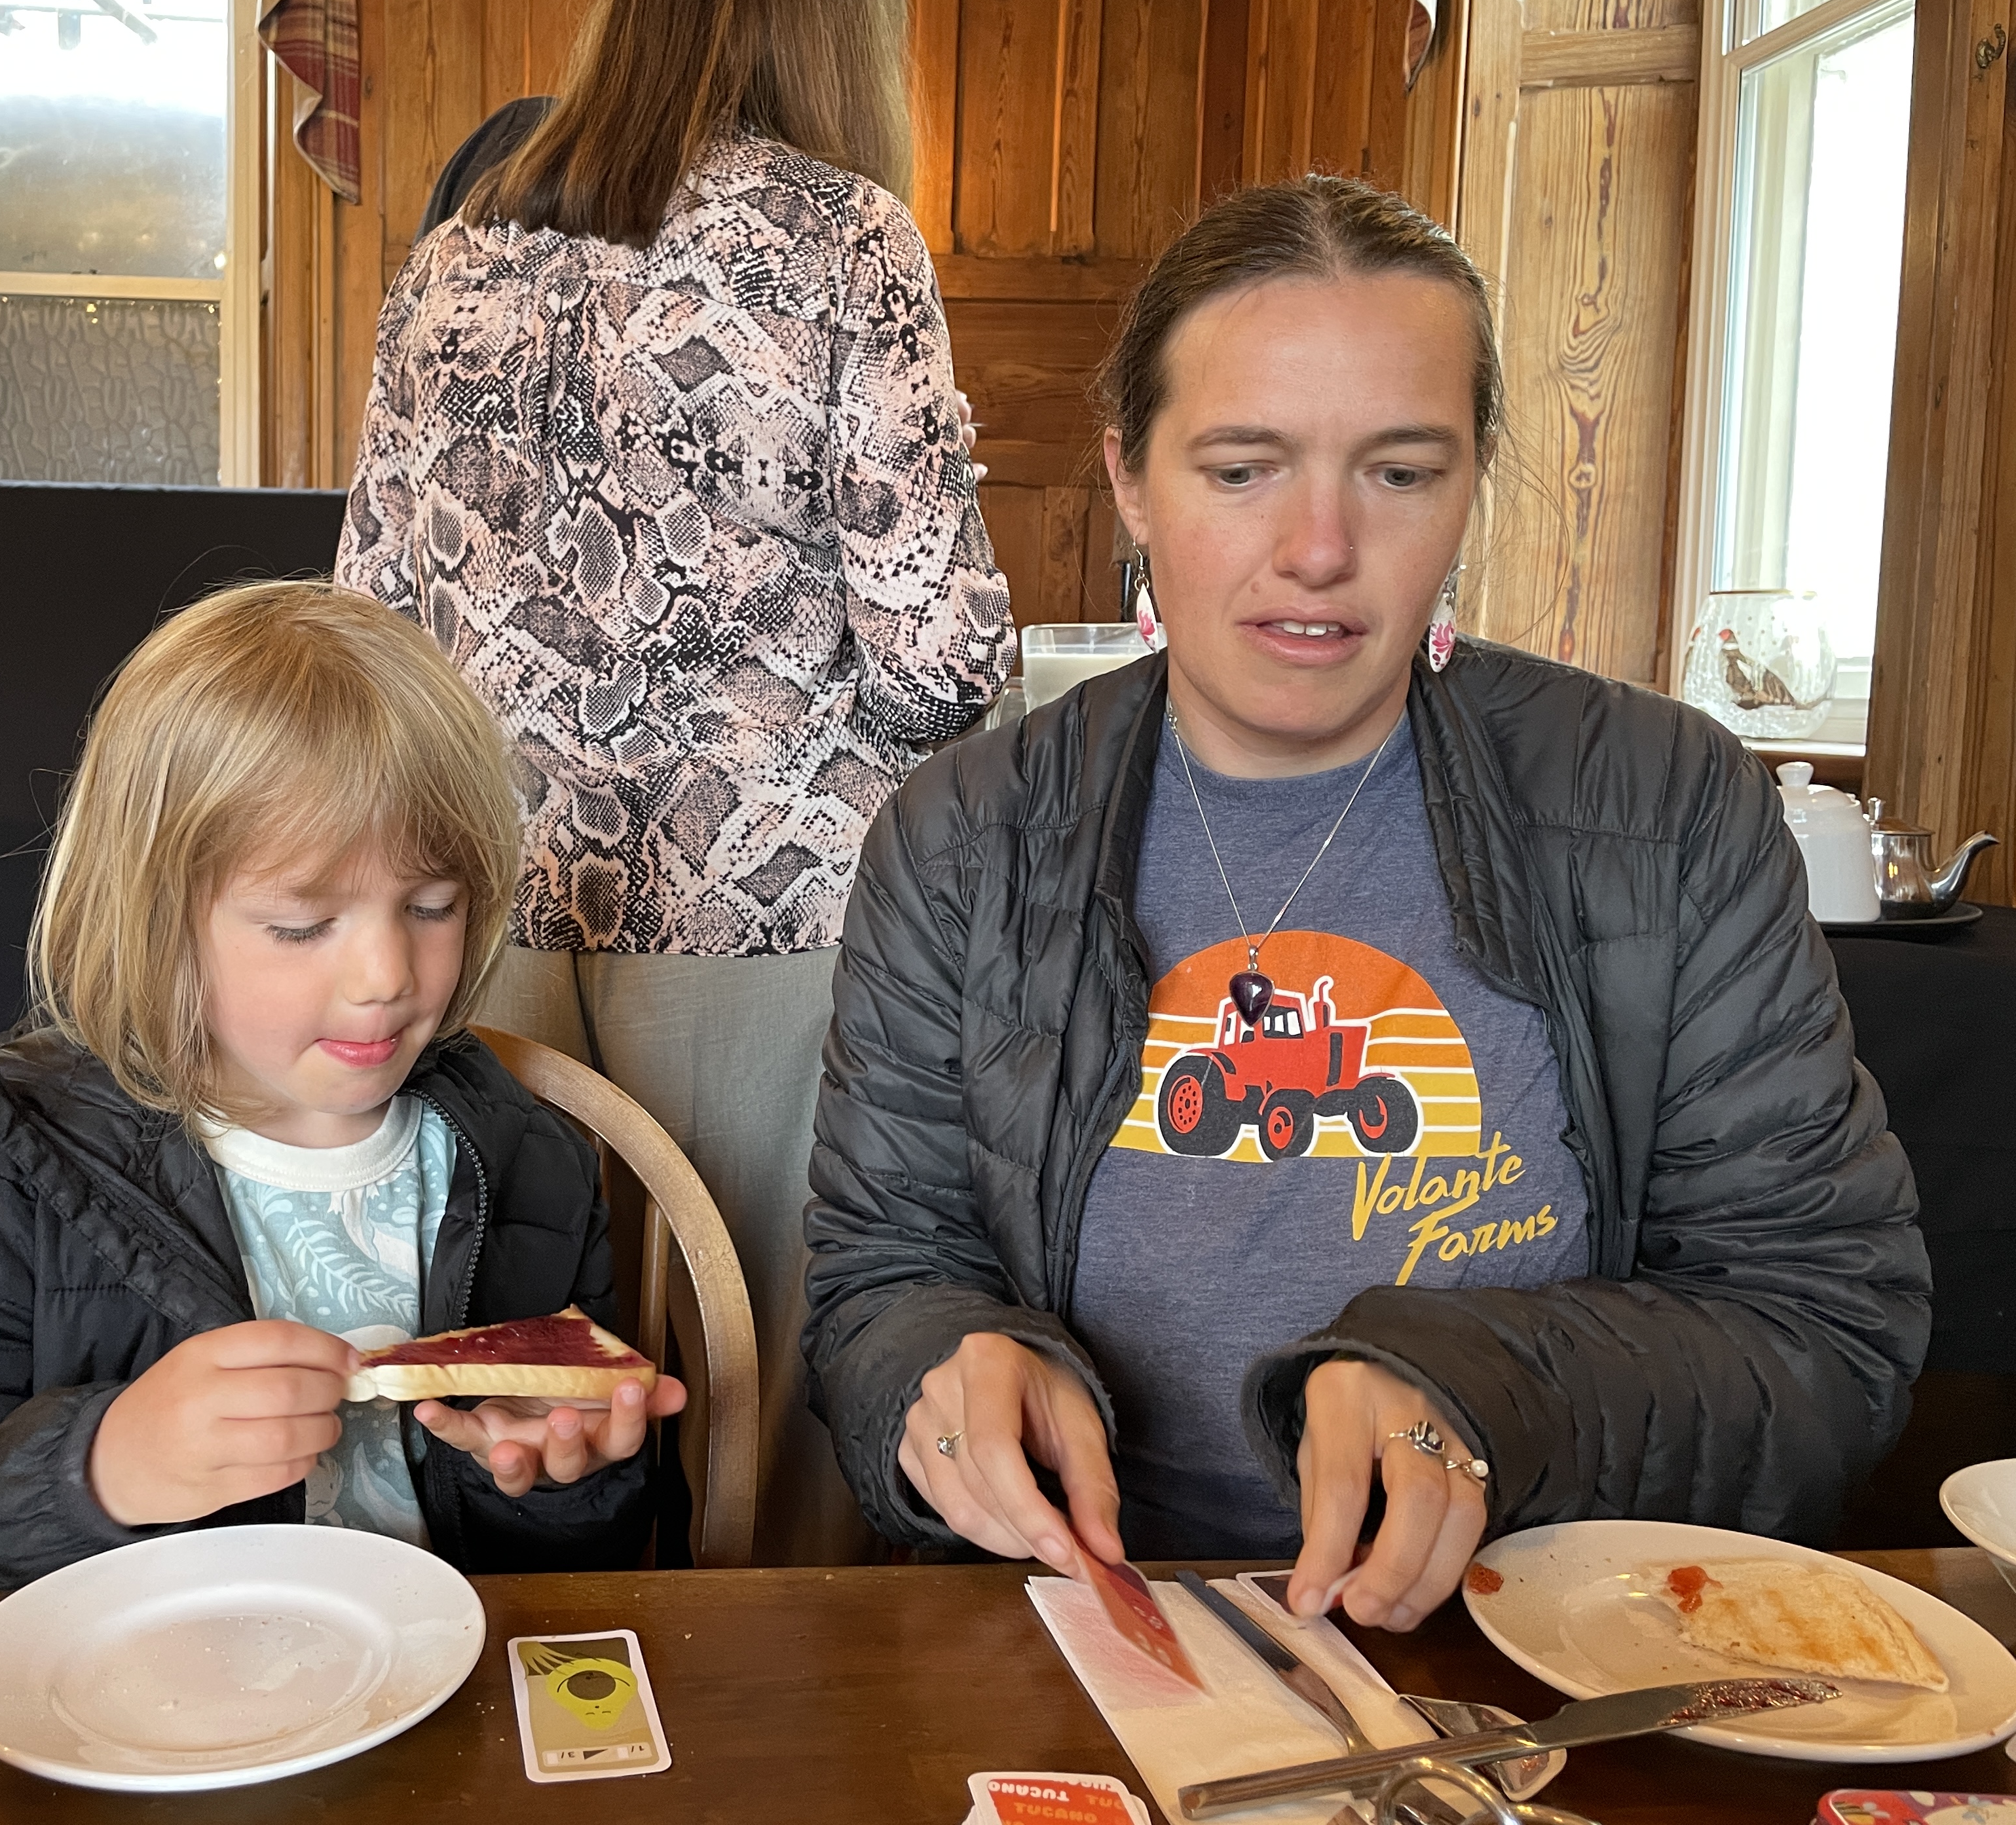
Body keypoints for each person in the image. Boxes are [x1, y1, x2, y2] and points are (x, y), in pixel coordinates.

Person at [800, 174, 1930, 1629]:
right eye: (1241, 470)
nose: (1321, 548)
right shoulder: (962, 838)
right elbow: (883, 1277)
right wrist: (938, 1371)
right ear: (1131, 477)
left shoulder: (1667, 809)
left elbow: (1825, 1333)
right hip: (1084, 1622)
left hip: (1523, 1632)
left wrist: (1486, 1386)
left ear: (1471, 482)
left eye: (1400, 473)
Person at [339, 0, 1012, 1566]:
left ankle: (538, 1681)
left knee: (519, 1403)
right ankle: (764, 1696)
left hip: (486, 912)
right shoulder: (848, 241)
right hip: (768, 919)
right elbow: (940, 662)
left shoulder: (455, 260)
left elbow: (368, 628)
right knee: (764, 1416)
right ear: (840, 17)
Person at [0, 582, 684, 1590]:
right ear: (157, 922)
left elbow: (581, 1558)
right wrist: (98, 1469)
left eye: (432, 907)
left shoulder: (527, 1161)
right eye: (303, 925)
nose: (387, 976)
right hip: (136, 1682)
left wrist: (565, 1482)